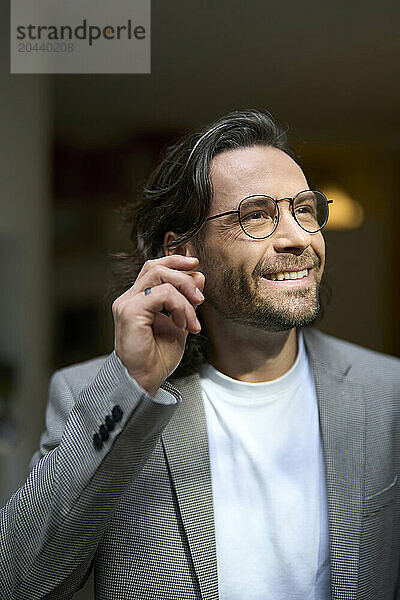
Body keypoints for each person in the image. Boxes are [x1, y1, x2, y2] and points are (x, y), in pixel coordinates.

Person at [1, 110, 399, 600]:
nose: (297, 236)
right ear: (184, 251)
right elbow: (18, 582)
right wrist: (134, 385)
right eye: (256, 214)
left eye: (305, 209)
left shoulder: (388, 393)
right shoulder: (99, 396)